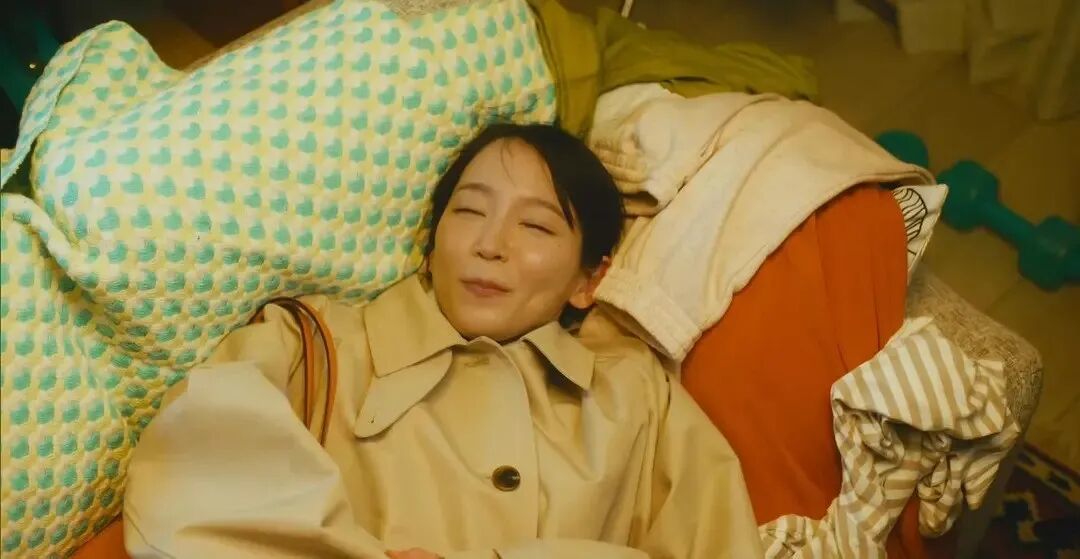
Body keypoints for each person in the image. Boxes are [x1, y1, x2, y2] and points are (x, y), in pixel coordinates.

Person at [123, 123, 762, 558]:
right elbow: (189, 483)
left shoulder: (636, 394)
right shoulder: (314, 344)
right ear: (431, 246)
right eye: (468, 211)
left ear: (588, 280)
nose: (490, 243)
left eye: (536, 226)